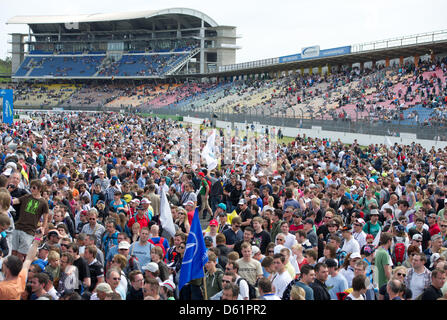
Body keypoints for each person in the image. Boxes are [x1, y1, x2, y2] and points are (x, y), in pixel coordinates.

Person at [11, 179, 49, 261]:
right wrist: (7, 200)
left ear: (40, 189)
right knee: (13, 251)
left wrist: (43, 228)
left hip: (29, 231)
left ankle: (17, 270)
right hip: (18, 227)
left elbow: (46, 217)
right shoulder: (26, 197)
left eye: (34, 188)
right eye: (31, 187)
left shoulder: (43, 202)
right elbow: (16, 201)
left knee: (21, 254)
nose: (31, 189)